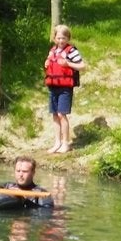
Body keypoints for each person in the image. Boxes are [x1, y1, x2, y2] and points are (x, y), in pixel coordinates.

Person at [44, 24, 86, 153]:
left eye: (64, 38)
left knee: (62, 114)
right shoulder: (53, 51)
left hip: (64, 88)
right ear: (54, 38)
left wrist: (68, 63)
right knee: (55, 115)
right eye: (58, 38)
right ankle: (57, 142)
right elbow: (50, 63)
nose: (61, 41)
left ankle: (65, 143)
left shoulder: (71, 51)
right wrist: (47, 62)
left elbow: (82, 66)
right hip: (53, 87)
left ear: (68, 38)